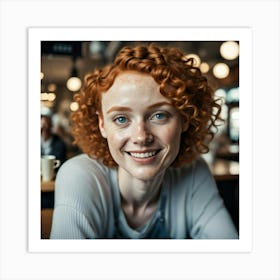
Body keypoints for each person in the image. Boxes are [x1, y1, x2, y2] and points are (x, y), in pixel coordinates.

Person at [50, 44, 238, 239]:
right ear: (102, 125)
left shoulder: (193, 173)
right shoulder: (79, 175)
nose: (141, 137)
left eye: (159, 115)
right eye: (121, 119)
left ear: (184, 119)